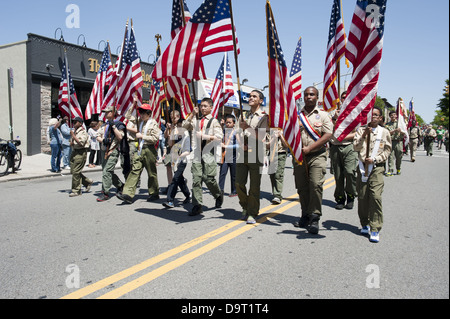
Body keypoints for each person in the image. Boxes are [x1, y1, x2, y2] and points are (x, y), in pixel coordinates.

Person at [293, 87, 333, 234]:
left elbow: (328, 134)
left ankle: (315, 217)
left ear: (317, 97)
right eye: (306, 95)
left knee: (315, 185)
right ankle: (305, 214)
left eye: (312, 94)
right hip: (300, 157)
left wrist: (310, 148)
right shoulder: (296, 116)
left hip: (317, 155)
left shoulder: (323, 115)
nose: (309, 97)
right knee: (302, 188)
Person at [353, 107, 392, 243]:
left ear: (380, 118)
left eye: (376, 115)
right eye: (371, 115)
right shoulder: (360, 130)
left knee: (375, 196)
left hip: (377, 168)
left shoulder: (385, 132)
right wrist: (364, 135)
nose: (373, 117)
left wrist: (376, 159)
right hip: (363, 167)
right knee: (363, 196)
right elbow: (356, 147)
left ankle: (375, 228)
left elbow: (387, 150)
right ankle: (365, 223)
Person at [183, 98, 224, 216]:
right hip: (196, 153)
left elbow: (219, 137)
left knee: (208, 178)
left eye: (206, 106)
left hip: (208, 153)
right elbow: (185, 126)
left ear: (211, 107)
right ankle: (197, 205)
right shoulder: (196, 119)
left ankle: (217, 194)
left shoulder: (213, 121)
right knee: (196, 179)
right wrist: (192, 114)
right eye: (201, 106)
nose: (203, 108)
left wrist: (204, 136)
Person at [236, 90, 269, 224]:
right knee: (238, 183)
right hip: (242, 154)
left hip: (256, 154)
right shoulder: (243, 114)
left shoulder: (264, 116)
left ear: (260, 101)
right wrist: (241, 144)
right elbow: (237, 132)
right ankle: (245, 206)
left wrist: (247, 127)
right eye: (250, 96)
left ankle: (252, 212)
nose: (251, 98)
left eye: (254, 96)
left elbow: (261, 136)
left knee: (254, 186)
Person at [117, 104, 160, 204]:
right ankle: (127, 194)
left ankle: (154, 192)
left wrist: (142, 136)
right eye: (140, 112)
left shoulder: (153, 123)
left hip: (149, 149)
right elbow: (127, 116)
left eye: (144, 112)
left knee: (151, 173)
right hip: (140, 149)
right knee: (135, 170)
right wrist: (133, 103)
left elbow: (155, 138)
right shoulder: (139, 121)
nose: (142, 114)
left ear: (149, 113)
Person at [96, 105, 128, 202]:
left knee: (107, 171)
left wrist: (113, 126)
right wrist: (103, 140)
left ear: (113, 113)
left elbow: (120, 137)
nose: (105, 113)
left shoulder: (119, 124)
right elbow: (97, 136)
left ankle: (105, 192)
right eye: (105, 112)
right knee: (107, 171)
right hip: (103, 150)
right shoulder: (103, 125)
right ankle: (120, 185)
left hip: (113, 150)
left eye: (108, 112)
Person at [163, 110, 191, 208]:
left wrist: (180, 156)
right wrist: (171, 133)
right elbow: (170, 144)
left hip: (182, 161)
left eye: (180, 126)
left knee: (175, 179)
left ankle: (170, 200)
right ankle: (188, 195)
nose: (179, 128)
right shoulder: (174, 132)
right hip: (174, 159)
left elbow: (188, 150)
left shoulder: (186, 135)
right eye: (178, 126)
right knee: (180, 180)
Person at [69, 117, 93, 197]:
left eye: (76, 122)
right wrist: (71, 140)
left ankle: (76, 190)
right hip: (74, 152)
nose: (74, 123)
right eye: (73, 122)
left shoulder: (83, 132)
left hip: (81, 152)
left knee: (76, 172)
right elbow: (72, 142)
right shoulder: (75, 131)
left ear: (80, 123)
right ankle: (87, 182)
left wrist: (73, 136)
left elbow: (81, 143)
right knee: (73, 171)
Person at [219, 114, 240, 197]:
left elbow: (238, 146)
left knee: (233, 174)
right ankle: (219, 190)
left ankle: (234, 191)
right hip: (225, 156)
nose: (227, 124)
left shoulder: (236, 132)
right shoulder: (224, 131)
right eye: (226, 122)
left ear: (234, 123)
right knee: (222, 173)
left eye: (229, 122)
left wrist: (226, 146)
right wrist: (221, 126)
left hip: (233, 155)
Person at [268, 128, 289, 205]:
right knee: (272, 174)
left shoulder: (285, 129)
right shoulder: (270, 130)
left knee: (278, 174)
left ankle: (277, 195)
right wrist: (274, 138)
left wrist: (281, 136)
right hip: (271, 154)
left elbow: (286, 145)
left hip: (281, 153)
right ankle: (275, 192)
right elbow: (267, 145)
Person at [385, 111, 405, 176]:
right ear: (389, 116)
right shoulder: (387, 124)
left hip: (399, 142)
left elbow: (405, 133)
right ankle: (390, 170)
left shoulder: (400, 124)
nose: (393, 116)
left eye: (394, 115)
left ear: (396, 116)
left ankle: (398, 169)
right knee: (390, 156)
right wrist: (394, 131)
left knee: (399, 157)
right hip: (391, 141)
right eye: (391, 115)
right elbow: (386, 133)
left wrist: (401, 131)